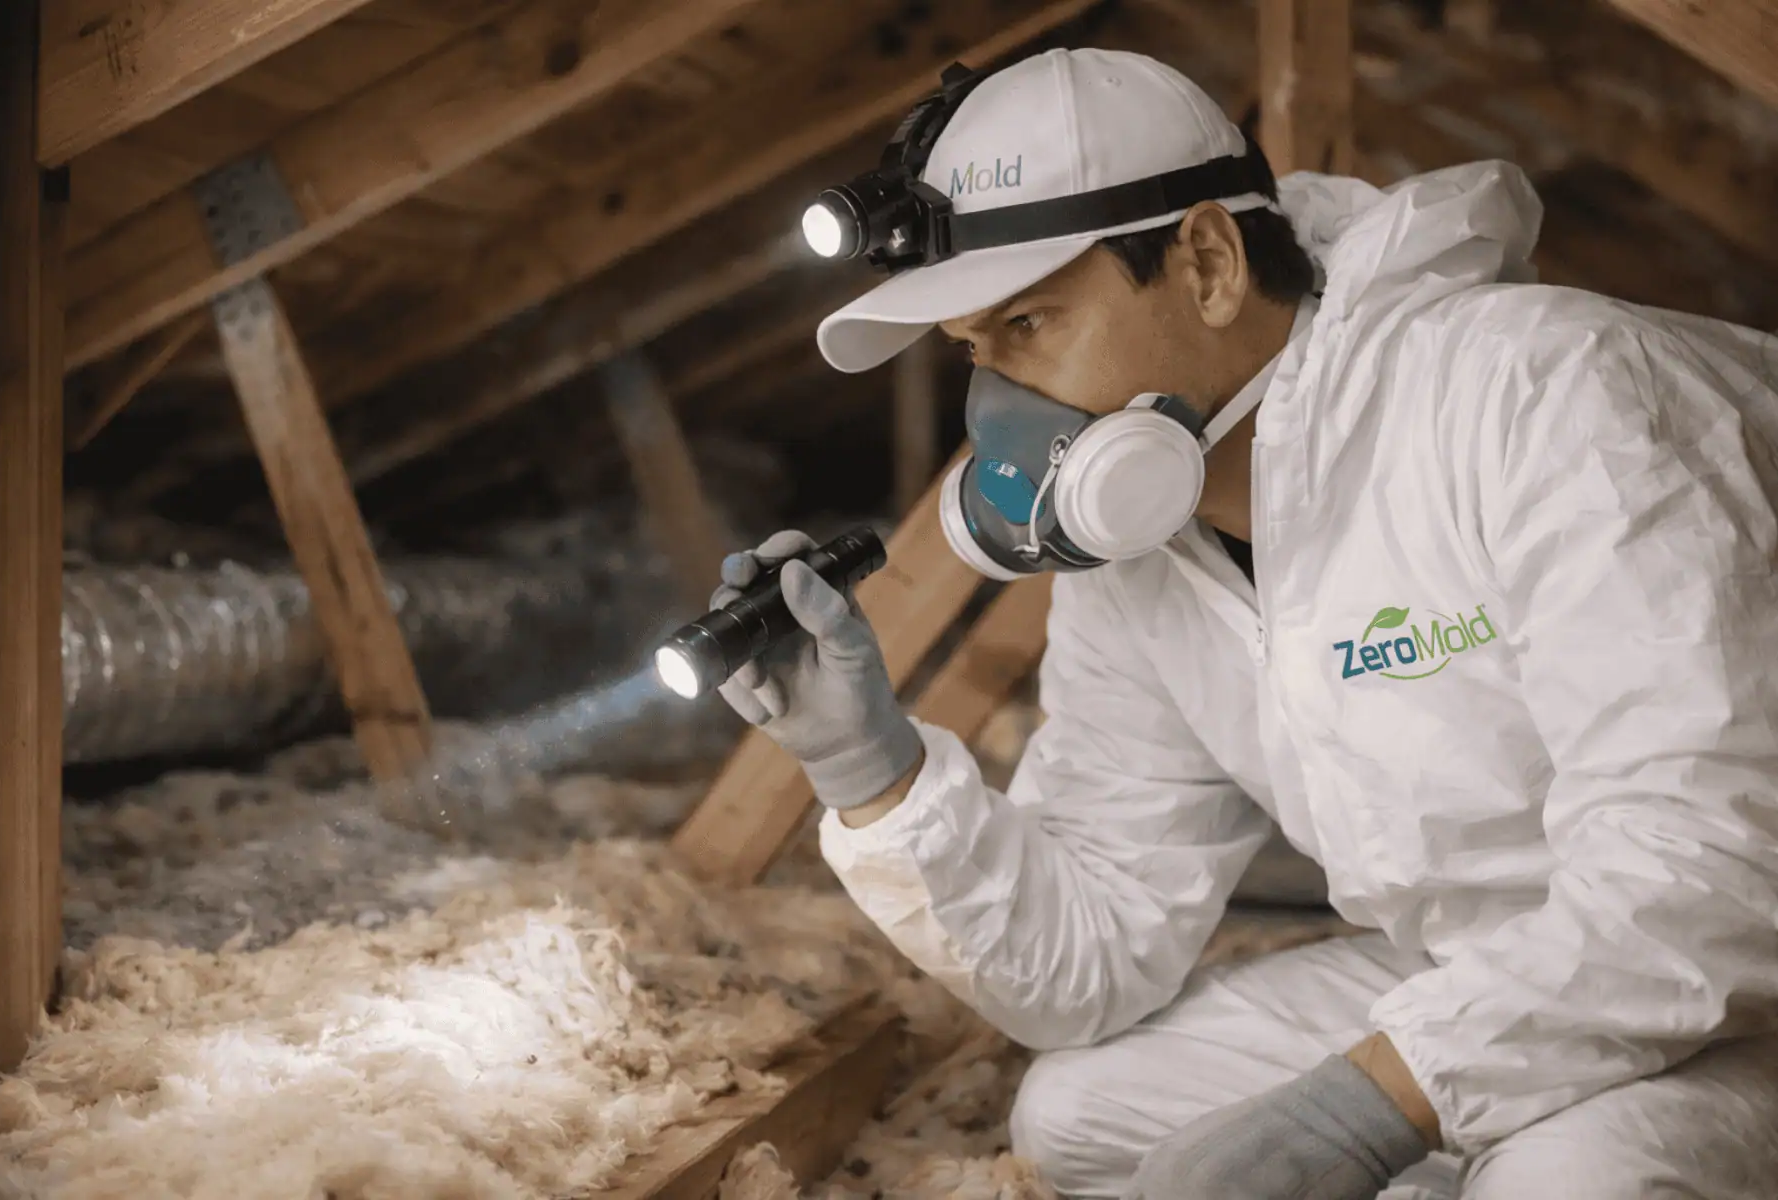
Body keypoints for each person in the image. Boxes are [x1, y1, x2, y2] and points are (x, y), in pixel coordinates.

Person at [711, 46, 1778, 1200]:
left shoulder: (1542, 396)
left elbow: (1714, 862)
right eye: (972, 353)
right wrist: (872, 769)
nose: (1000, 411)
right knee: (1078, 1116)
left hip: (1733, 987)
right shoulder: (1140, 563)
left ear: (1210, 263)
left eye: (1028, 325)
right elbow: (1097, 949)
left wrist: (1374, 1105)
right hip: (1486, 975)